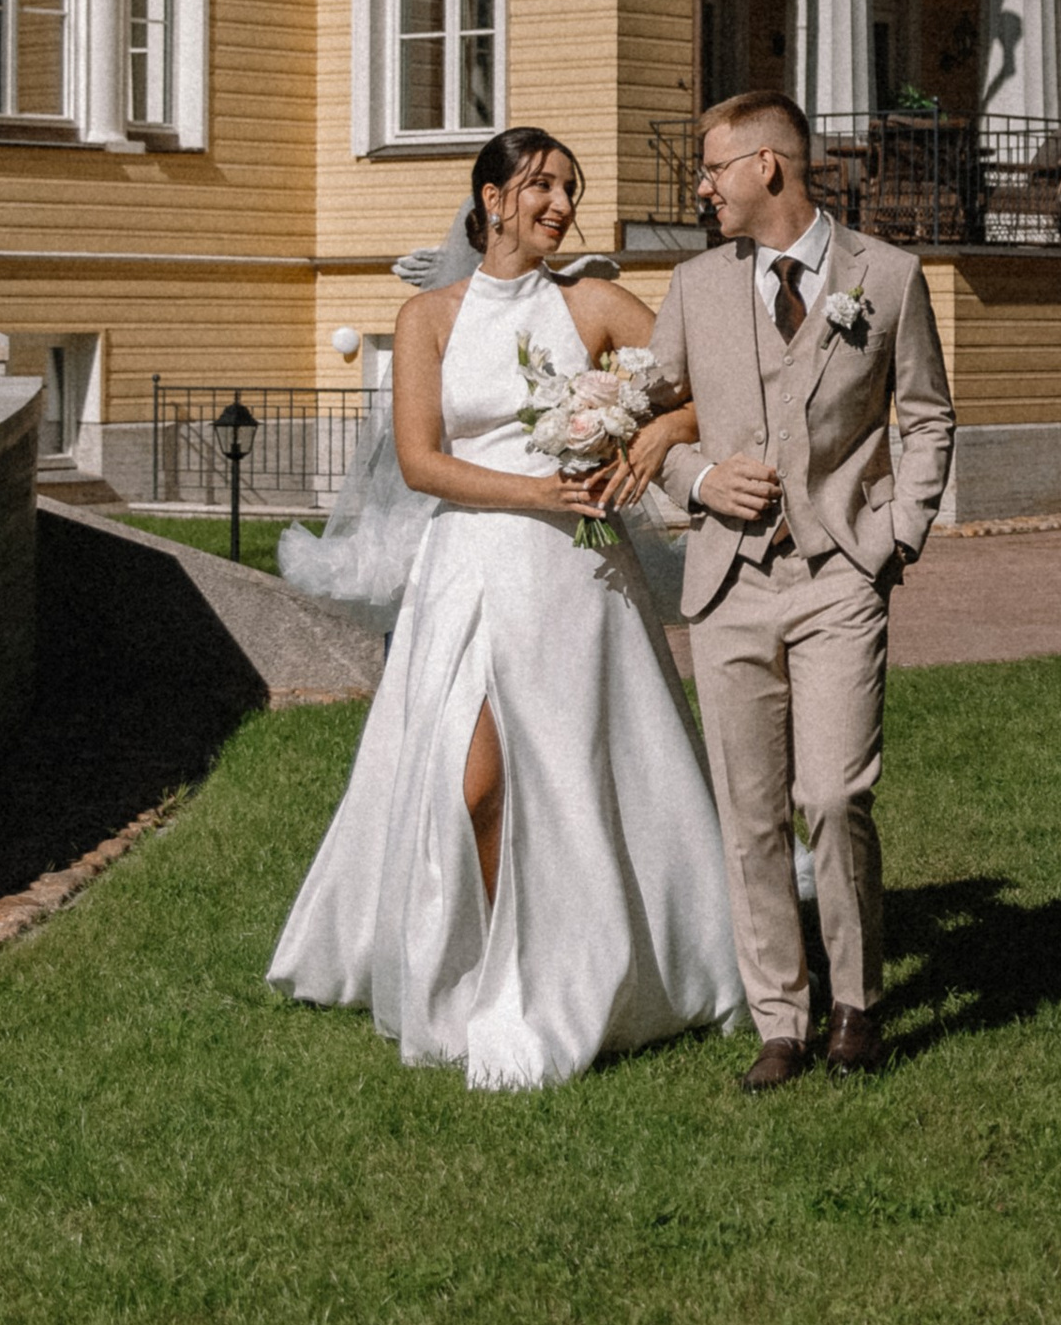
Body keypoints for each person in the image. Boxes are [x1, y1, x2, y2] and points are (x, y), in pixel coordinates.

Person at [268, 125, 745, 1088]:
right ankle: (490, 967)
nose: (559, 204)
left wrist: (647, 443)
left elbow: (709, 392)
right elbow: (420, 460)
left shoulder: (596, 303)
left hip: (576, 578)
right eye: (539, 186)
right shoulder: (428, 319)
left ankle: (587, 973)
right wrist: (535, 491)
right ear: (490, 199)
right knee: (473, 783)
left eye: (569, 187)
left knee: (576, 774)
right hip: (471, 565)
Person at [610, 92, 954, 1089]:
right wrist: (695, 481)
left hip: (841, 571)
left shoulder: (885, 279)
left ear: (769, 167)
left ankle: (857, 1002)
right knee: (748, 809)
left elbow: (926, 413)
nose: (701, 186)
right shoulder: (693, 286)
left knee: (836, 794)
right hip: (726, 581)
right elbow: (651, 415)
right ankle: (781, 1020)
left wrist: (898, 533)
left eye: (714, 168)